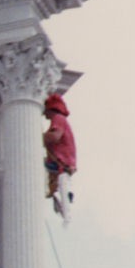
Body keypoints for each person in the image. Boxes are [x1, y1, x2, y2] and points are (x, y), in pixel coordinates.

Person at [42, 93, 77, 224]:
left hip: (60, 163)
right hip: (62, 164)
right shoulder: (59, 120)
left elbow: (55, 136)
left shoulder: (58, 118)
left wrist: (35, 135)